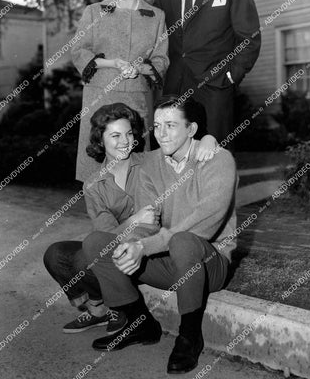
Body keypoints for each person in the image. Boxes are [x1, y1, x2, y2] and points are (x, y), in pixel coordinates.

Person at [82, 96, 238, 374]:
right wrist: (132, 245)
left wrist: (210, 139)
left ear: (191, 130)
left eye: (170, 125)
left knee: (183, 240)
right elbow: (147, 220)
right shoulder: (152, 164)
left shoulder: (217, 159)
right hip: (169, 262)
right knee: (96, 242)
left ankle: (190, 336)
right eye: (156, 126)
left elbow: (205, 224)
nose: (161, 134)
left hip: (207, 265)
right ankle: (139, 323)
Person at [43, 102, 217, 335]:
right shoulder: (94, 184)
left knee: (84, 259)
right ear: (99, 140)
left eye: (129, 134)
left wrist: (208, 140)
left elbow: (186, 149)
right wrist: (134, 220)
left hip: (153, 252)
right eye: (115, 135)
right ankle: (99, 308)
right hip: (115, 250)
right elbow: (106, 233)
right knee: (56, 255)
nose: (125, 141)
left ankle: (120, 309)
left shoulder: (151, 161)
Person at [154, 0, 261, 149]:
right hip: (174, 91)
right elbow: (159, 41)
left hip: (215, 89)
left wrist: (231, 77)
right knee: (175, 162)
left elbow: (249, 38)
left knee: (215, 162)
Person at [71, 0, 169, 182]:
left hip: (136, 101)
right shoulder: (94, 12)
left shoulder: (157, 16)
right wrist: (111, 62)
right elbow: (78, 50)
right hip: (99, 98)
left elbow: (161, 59)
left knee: (136, 173)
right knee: (97, 172)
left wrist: (139, 68)